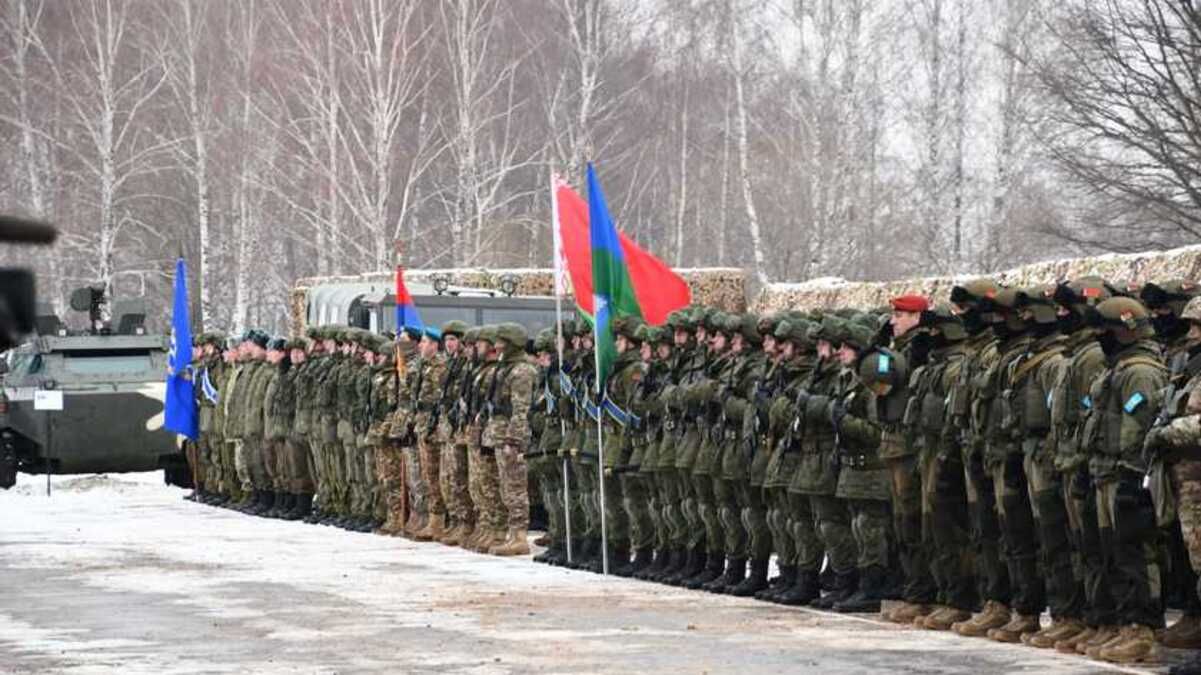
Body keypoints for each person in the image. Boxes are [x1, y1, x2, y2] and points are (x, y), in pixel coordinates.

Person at [1080, 296, 1168, 663]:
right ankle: (1123, 622)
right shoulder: (1116, 368)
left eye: (1106, 330)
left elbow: (1138, 431)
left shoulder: (1140, 371)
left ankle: (1143, 628)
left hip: (1126, 473)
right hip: (1105, 470)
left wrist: (1134, 475)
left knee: (1135, 552)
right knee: (1111, 550)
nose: (1101, 337)